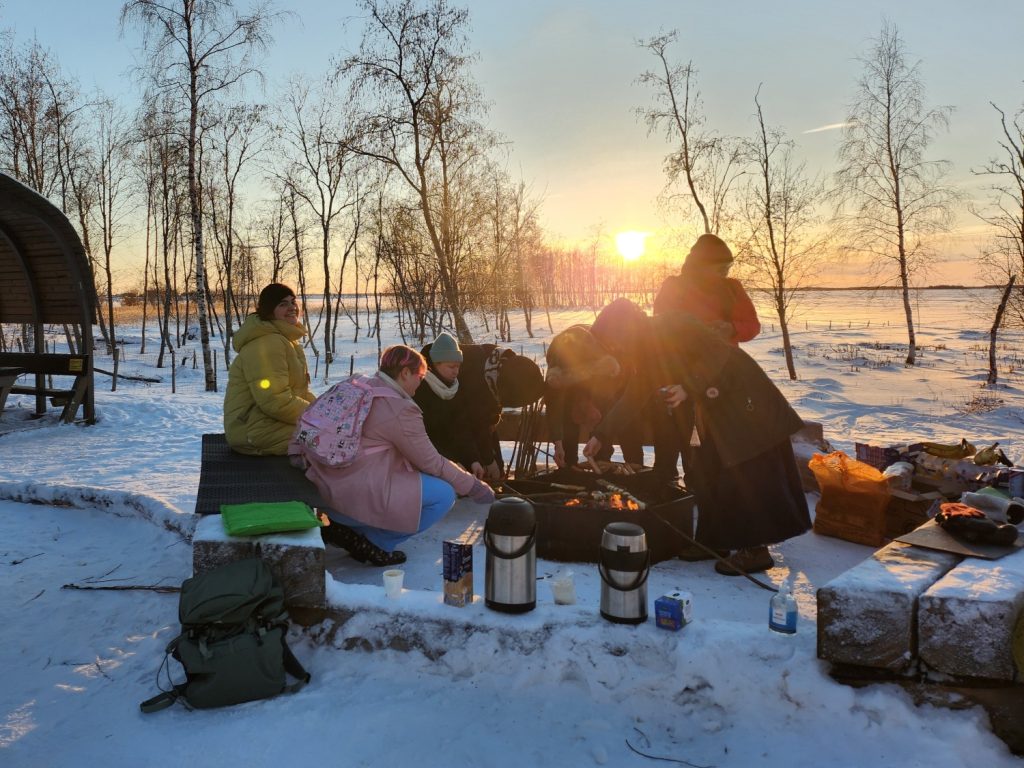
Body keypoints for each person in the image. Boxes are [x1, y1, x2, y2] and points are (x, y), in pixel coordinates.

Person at [584, 299, 810, 575]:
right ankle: (713, 541)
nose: (615, 347)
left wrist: (688, 387)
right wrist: (601, 435)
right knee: (707, 470)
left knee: (745, 470)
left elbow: (717, 352)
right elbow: (635, 394)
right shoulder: (644, 352)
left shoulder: (673, 323)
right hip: (712, 409)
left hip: (741, 398)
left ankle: (755, 550)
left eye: (614, 339)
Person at [299, 344, 495, 566]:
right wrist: (473, 487)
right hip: (354, 491)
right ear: (404, 373)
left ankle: (347, 529)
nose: (421, 383)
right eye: (420, 376)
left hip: (325, 479)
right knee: (444, 495)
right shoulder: (399, 408)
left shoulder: (359, 383)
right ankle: (376, 543)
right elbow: (432, 462)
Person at [650, 233, 761, 483]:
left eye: (728, 267)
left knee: (708, 435)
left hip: (720, 374)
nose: (724, 272)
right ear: (701, 265)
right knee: (670, 430)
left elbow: (752, 325)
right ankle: (665, 483)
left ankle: (701, 483)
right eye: (719, 268)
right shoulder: (675, 286)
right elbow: (660, 323)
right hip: (678, 369)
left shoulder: (733, 289)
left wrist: (731, 328)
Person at [223, 283, 315, 456]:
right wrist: (317, 417)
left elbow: (298, 392)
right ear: (269, 310)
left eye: (293, 301)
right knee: (333, 440)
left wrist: (323, 409)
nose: (292, 307)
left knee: (339, 434)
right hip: (254, 431)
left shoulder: (284, 340)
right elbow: (275, 400)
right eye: (282, 304)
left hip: (268, 422)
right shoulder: (267, 342)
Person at [544, 324, 644, 470]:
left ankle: (629, 465)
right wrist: (558, 445)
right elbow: (554, 409)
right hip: (569, 377)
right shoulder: (557, 380)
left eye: (588, 421)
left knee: (624, 425)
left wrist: (600, 438)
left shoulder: (608, 371)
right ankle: (569, 466)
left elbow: (623, 405)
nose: (587, 426)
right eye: (585, 421)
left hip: (608, 377)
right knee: (568, 426)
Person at [455, 343, 545, 481]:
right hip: (444, 434)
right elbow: (475, 425)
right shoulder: (472, 375)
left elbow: (488, 426)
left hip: (467, 430)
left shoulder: (500, 367)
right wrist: (489, 461)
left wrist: (497, 465)